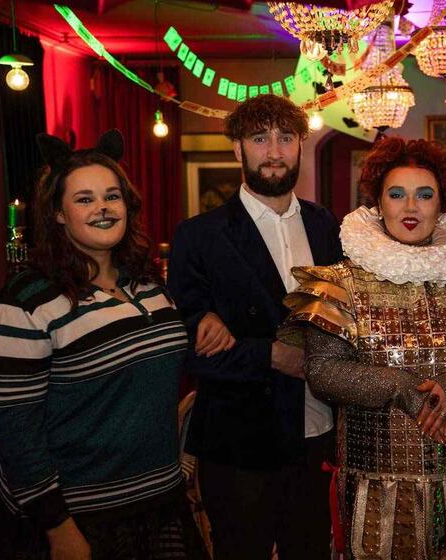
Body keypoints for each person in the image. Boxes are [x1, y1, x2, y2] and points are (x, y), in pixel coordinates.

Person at [282, 136, 446, 559]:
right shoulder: (340, 283)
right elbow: (323, 372)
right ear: (378, 203)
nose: (411, 207)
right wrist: (399, 387)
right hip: (376, 493)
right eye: (397, 194)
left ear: (442, 204)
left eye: (425, 195)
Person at [0, 130, 207, 559]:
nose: (102, 207)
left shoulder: (148, 285)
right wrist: (57, 527)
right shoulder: (25, 303)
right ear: (58, 213)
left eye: (112, 196)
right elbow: (18, 433)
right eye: (84, 199)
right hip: (78, 517)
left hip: (159, 503)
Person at [167, 94, 343, 559]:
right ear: (237, 149)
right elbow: (187, 347)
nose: (274, 151)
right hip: (239, 446)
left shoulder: (327, 225)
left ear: (301, 145)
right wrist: (271, 354)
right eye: (260, 138)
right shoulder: (199, 236)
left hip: (316, 436)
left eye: (285, 138)